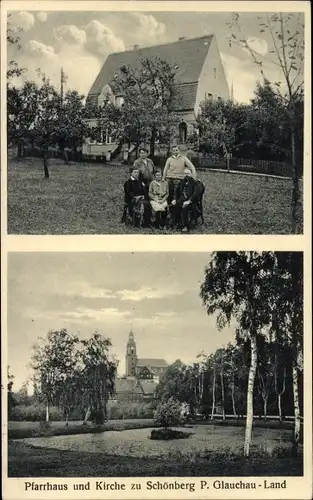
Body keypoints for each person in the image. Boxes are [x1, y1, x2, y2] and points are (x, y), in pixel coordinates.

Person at [170, 167, 203, 233]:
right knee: (172, 206)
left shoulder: (196, 182)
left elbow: (196, 194)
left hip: (192, 202)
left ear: (191, 174)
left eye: (188, 173)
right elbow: (176, 191)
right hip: (182, 200)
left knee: (185, 207)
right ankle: (176, 222)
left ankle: (185, 226)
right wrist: (174, 199)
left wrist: (189, 201)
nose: (186, 175)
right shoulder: (182, 181)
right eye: (185, 173)